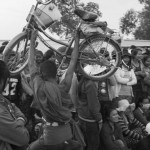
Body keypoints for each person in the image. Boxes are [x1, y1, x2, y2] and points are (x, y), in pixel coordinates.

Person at [27, 30, 82, 150]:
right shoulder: (64, 87)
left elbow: (31, 64)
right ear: (56, 73)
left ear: (41, 74)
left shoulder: (39, 87)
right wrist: (77, 40)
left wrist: (32, 40)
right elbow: (73, 61)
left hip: (50, 136)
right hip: (67, 133)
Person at [0, 60, 29, 150]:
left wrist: (19, 118)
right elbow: (23, 138)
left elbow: (12, 106)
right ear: (4, 81)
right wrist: (20, 120)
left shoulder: (3, 99)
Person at [77, 75, 102, 150]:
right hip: (90, 120)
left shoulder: (83, 81)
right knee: (93, 145)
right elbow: (93, 106)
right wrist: (99, 118)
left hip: (83, 117)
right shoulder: (91, 84)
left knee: (86, 144)